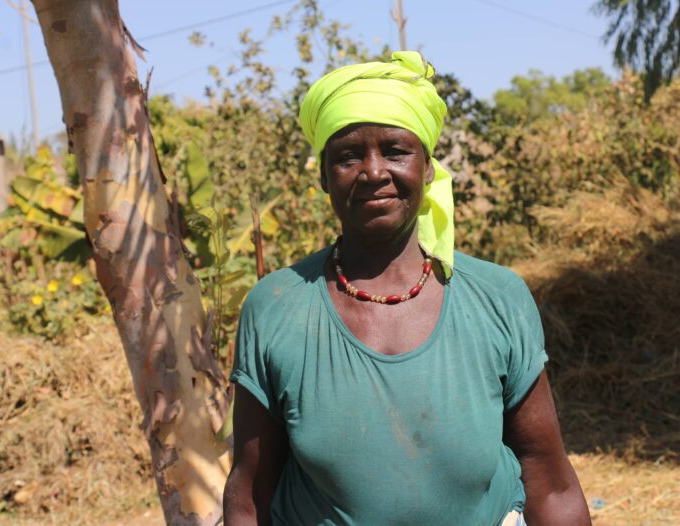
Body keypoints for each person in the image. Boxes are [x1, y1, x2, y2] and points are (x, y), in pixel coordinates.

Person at [223, 51, 591, 526]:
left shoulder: (498, 298)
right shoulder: (276, 307)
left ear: (429, 168)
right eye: (348, 156)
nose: (373, 172)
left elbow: (550, 481)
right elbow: (251, 492)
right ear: (322, 177)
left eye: (395, 151)